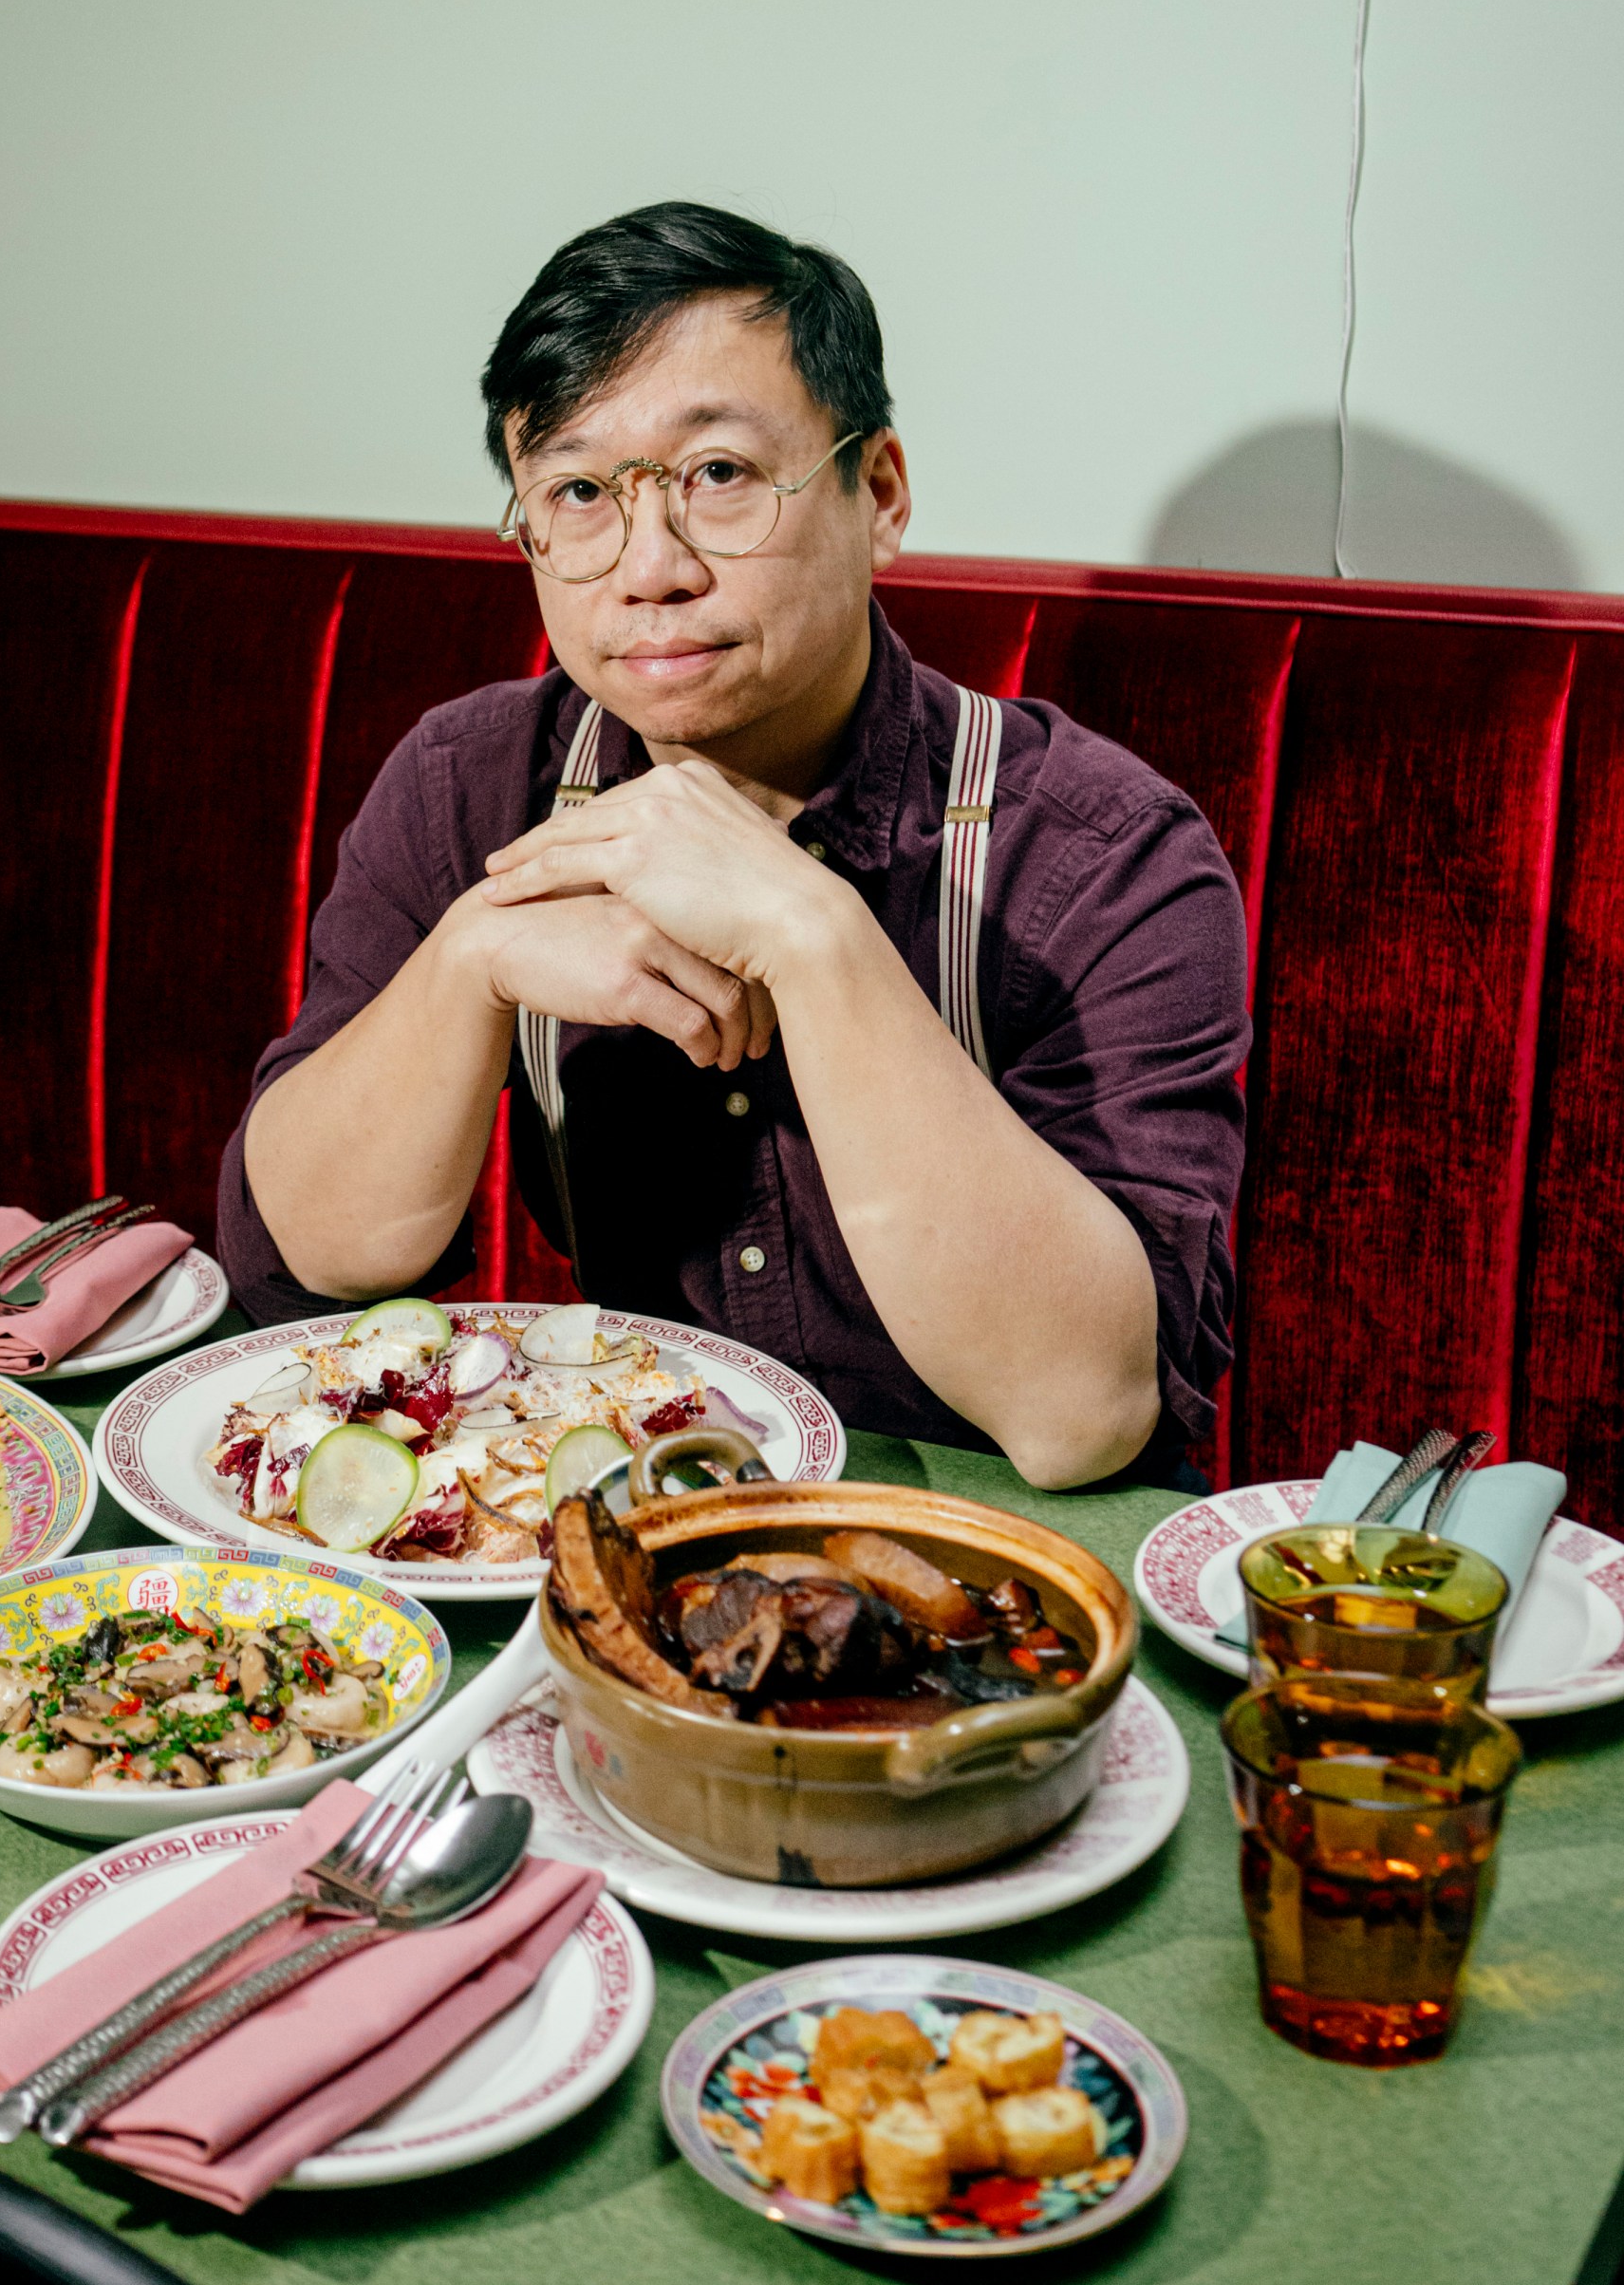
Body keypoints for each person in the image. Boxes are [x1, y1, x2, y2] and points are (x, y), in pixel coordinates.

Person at [217, 203, 1249, 1489]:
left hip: (992, 1560)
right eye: (579, 493)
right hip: (634, 1521)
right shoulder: (472, 785)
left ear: (879, 495)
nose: (649, 568)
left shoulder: (1101, 855)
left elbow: (1084, 1413)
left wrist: (813, 936)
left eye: (718, 474)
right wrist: (469, 961)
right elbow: (309, 1258)